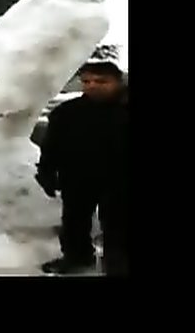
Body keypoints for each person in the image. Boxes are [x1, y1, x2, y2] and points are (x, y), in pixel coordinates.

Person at [35, 61, 128, 275]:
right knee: (74, 221)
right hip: (78, 177)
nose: (92, 86)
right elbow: (52, 145)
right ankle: (77, 256)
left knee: (119, 225)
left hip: (120, 180)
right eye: (86, 81)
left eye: (101, 81)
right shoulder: (67, 112)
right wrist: (46, 171)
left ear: (118, 82)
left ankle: (118, 264)